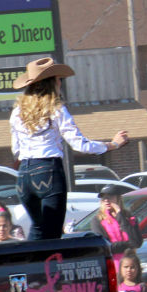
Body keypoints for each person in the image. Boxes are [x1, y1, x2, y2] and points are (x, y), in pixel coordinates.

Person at [11, 57, 129, 240]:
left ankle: (31, 265)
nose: (60, 83)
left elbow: (16, 150)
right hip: (48, 170)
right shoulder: (56, 109)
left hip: (24, 175)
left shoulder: (17, 112)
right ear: (52, 83)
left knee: (38, 229)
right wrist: (112, 145)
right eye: (59, 79)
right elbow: (79, 144)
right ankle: (46, 267)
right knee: (52, 232)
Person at [90, 184, 142, 272]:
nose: (106, 200)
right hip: (113, 267)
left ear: (118, 198)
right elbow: (104, 247)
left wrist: (119, 214)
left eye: (109, 197)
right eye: (103, 198)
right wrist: (128, 245)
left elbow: (137, 242)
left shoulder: (128, 217)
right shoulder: (97, 220)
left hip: (131, 268)